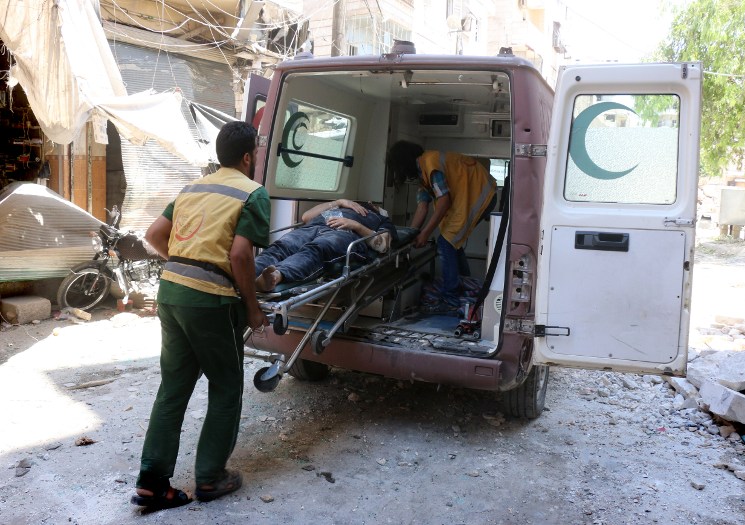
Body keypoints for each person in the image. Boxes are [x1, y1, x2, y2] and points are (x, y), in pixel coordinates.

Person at [131, 121, 271, 510]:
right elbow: (241, 255)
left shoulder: (193, 186)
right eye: (256, 153)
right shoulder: (252, 193)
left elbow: (154, 235)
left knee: (173, 387)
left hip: (171, 292)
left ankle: (152, 483)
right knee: (226, 386)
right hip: (210, 301)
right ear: (248, 157)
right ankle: (210, 478)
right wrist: (253, 309)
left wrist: (185, 265)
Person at [387, 140, 497, 313]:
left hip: (481, 193)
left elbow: (444, 202)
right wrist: (408, 237)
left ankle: (450, 299)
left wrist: (425, 233)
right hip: (473, 193)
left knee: (445, 242)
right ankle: (464, 284)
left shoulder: (430, 164)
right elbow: (422, 207)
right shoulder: (422, 173)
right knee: (452, 242)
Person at [254, 199, 396, 292]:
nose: (370, 202)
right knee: (282, 245)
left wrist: (356, 225)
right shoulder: (341, 206)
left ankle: (275, 276)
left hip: (344, 234)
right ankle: (249, 271)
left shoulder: (381, 219)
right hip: (312, 227)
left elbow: (383, 245)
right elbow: (306, 217)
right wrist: (340, 201)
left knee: (316, 249)